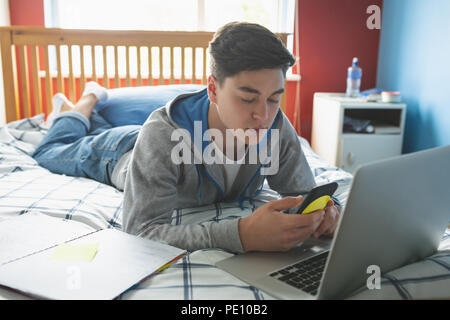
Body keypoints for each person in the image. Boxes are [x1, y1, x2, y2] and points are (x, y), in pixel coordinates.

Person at [32, 22, 340, 254]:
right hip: (121, 152)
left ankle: (92, 112)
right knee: (49, 151)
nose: (264, 115)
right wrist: (241, 235)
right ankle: (86, 102)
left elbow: (307, 194)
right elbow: (141, 231)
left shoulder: (276, 126)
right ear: (213, 89)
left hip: (150, 143)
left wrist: (328, 212)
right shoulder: (162, 136)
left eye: (274, 98)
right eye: (248, 98)